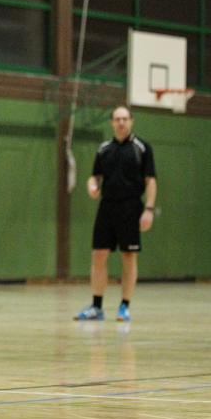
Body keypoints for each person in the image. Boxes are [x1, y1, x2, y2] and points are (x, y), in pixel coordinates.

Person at [75, 105, 157, 322]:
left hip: (131, 207)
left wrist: (148, 209)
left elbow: (150, 181)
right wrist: (92, 186)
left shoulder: (142, 148)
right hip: (107, 207)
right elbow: (94, 177)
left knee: (128, 256)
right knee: (98, 255)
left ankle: (124, 306)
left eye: (125, 119)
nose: (121, 122)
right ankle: (96, 306)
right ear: (112, 122)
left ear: (132, 121)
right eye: (117, 119)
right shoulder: (103, 149)